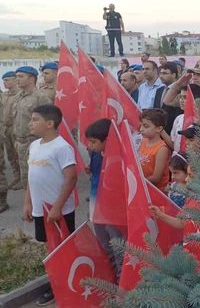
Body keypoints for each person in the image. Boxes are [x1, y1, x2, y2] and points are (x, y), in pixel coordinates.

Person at [22, 105, 77, 306]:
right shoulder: (35, 145)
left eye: (34, 119)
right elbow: (31, 176)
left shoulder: (61, 147)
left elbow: (71, 178)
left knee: (62, 248)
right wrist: (27, 202)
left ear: (50, 123)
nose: (30, 123)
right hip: (39, 210)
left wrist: (57, 207)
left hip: (57, 212)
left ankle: (65, 284)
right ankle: (56, 281)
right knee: (50, 248)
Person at [85, 118, 124, 280]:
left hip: (114, 211)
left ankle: (122, 281)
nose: (89, 146)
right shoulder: (95, 154)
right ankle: (111, 277)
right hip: (97, 205)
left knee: (118, 246)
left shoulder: (120, 156)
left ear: (107, 140)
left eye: (93, 142)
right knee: (104, 244)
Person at [13, 66, 52, 190]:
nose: (17, 79)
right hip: (21, 142)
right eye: (16, 76)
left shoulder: (40, 97)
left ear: (31, 79)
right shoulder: (18, 96)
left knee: (38, 177)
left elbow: (49, 123)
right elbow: (16, 119)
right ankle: (30, 205)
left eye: (21, 76)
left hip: (35, 143)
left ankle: (41, 206)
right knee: (26, 179)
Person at [164, 60, 200, 126]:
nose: (194, 77)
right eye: (194, 74)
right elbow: (167, 101)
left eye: (199, 74)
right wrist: (179, 83)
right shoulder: (188, 94)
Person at [163, 84, 200, 152]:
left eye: (185, 97)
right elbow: (173, 144)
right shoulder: (178, 119)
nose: (181, 100)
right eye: (180, 97)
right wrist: (161, 130)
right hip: (178, 158)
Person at [138, 109, 171, 192]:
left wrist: (138, 180)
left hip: (157, 192)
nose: (141, 129)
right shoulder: (143, 141)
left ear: (159, 128)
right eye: (141, 125)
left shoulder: (162, 149)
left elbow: (156, 178)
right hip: (144, 187)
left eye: (146, 126)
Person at [1, 71, 21, 192]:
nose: (5, 83)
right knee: (10, 155)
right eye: (4, 80)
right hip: (5, 128)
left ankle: (24, 177)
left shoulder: (19, 95)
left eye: (7, 80)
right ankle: (16, 176)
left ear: (14, 80)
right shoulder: (4, 95)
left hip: (16, 127)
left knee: (19, 154)